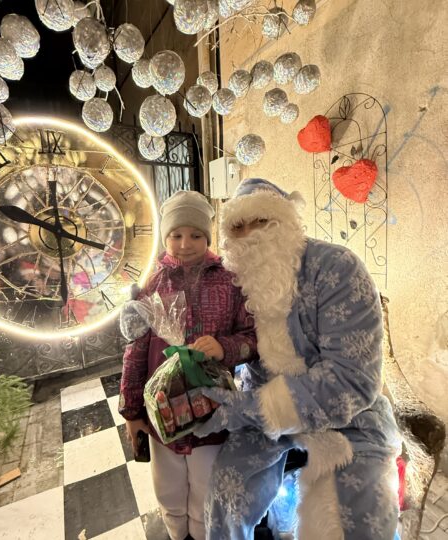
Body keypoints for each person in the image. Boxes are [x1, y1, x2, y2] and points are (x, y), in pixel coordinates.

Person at [193, 178, 402, 540]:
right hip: (261, 412)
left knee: (354, 521)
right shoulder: (238, 282)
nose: (250, 235)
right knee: (226, 496)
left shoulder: (337, 268)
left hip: (350, 418)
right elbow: (240, 347)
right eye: (237, 227)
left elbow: (353, 382)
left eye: (261, 221)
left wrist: (249, 409)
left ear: (286, 220)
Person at [118, 190, 257, 540]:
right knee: (167, 488)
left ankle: (201, 531)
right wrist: (131, 410)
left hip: (213, 410)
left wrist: (224, 347)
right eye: (176, 235)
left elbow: (253, 338)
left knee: (207, 488)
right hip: (162, 411)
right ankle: (175, 531)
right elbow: (135, 351)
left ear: (208, 236)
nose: (185, 244)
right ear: (165, 236)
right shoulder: (153, 284)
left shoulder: (230, 281)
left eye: (196, 235)